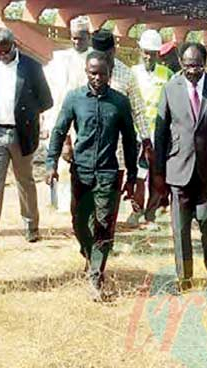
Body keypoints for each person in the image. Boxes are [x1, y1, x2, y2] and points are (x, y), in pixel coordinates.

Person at [45, 51, 138, 301]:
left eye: (102, 73)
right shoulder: (74, 98)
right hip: (81, 171)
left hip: (109, 172)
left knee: (104, 224)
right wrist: (50, 163)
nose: (97, 78)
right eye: (93, 73)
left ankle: (96, 275)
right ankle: (89, 255)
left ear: (110, 73)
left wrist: (132, 175)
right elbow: (59, 130)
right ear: (86, 72)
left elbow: (130, 141)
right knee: (79, 221)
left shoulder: (119, 102)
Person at [153, 43, 207, 292]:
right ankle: (185, 277)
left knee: (206, 218)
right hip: (177, 167)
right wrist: (158, 172)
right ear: (181, 63)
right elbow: (160, 133)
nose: (192, 71)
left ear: (206, 62)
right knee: (179, 228)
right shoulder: (170, 89)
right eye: (187, 65)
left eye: (197, 65)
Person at [0, 28, 53, 252]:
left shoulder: (31, 67)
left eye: (5, 52)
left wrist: (27, 114)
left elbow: (46, 100)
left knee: (25, 183)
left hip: (22, 134)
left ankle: (31, 228)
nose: (1, 56)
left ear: (14, 45)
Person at [90, 29, 152, 219]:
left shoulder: (126, 75)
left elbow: (138, 109)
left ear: (113, 51)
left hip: (116, 151)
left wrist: (146, 139)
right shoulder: (83, 71)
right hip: (87, 148)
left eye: (107, 56)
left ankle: (105, 239)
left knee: (111, 199)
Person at [42, 19, 92, 215]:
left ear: (88, 36)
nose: (77, 42)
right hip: (63, 117)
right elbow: (54, 93)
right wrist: (47, 121)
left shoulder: (95, 58)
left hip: (86, 119)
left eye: (80, 38)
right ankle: (63, 205)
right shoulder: (61, 60)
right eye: (73, 38)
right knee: (61, 165)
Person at [127, 29, 174, 231]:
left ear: (158, 54)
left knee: (157, 177)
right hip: (137, 135)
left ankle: (151, 213)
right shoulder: (132, 73)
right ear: (140, 50)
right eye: (146, 52)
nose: (148, 56)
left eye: (153, 53)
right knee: (138, 175)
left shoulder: (167, 75)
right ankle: (136, 211)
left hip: (160, 136)